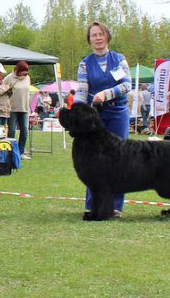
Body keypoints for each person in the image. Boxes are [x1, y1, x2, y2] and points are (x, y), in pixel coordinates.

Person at [75, 21, 131, 217]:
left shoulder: (119, 59)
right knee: (93, 160)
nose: (97, 38)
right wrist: (77, 112)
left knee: (118, 159)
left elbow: (127, 85)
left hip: (118, 113)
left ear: (107, 36)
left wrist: (106, 94)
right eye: (93, 35)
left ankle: (115, 206)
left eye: (100, 34)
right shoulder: (84, 63)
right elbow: (82, 91)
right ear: (89, 39)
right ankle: (93, 204)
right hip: (95, 116)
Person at [3, 61, 31, 160]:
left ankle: (21, 152)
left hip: (24, 108)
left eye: (26, 72)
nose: (25, 74)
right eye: (23, 71)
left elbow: (27, 93)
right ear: (18, 70)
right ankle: (10, 152)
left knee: (24, 131)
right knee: (11, 131)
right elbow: (3, 91)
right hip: (12, 108)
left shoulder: (27, 78)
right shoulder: (8, 78)